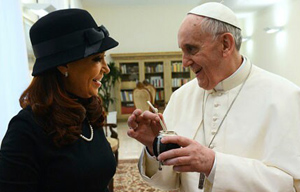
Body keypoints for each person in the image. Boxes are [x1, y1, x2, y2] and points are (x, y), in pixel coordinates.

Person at [127, 2, 300, 192]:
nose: (184, 62)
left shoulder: (285, 97)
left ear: (225, 44)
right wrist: (155, 149)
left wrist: (214, 164)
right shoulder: (181, 97)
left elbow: (290, 185)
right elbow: (169, 183)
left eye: (191, 49)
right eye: (182, 51)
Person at [0, 8, 118, 192]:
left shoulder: (88, 109)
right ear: (64, 65)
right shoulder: (25, 131)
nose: (106, 69)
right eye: (97, 59)